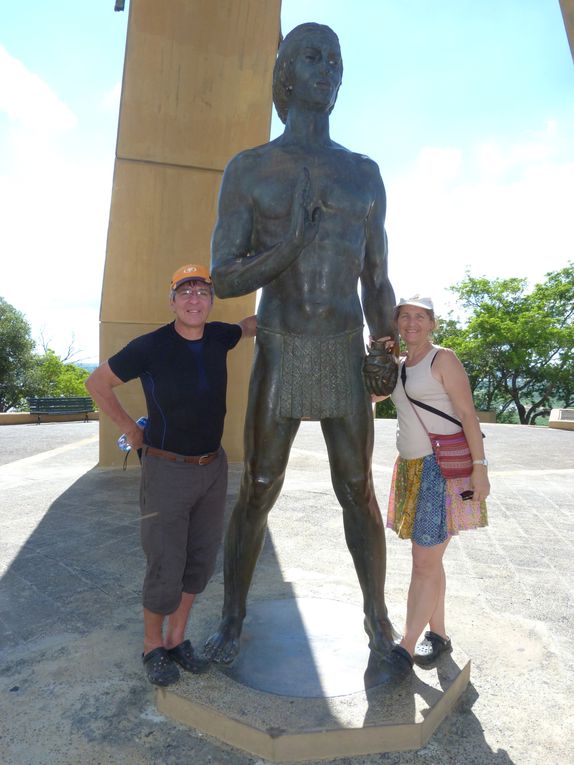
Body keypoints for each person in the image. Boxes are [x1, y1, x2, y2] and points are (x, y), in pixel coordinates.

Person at [203, 22, 400, 669]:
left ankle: (378, 622)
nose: (327, 68)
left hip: (342, 348)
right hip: (283, 348)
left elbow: (376, 277)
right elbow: (224, 276)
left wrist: (386, 341)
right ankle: (231, 619)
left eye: (335, 59)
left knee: (357, 490)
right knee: (258, 485)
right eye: (311, 56)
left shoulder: (364, 174)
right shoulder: (251, 170)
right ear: (285, 74)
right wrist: (287, 244)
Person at [85, 263, 257, 686]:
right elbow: (97, 383)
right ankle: (152, 646)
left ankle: (178, 640)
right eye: (186, 292)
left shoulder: (220, 335)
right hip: (166, 469)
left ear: (210, 300)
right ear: (173, 300)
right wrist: (129, 427)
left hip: (211, 467)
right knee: (165, 561)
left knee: (198, 560)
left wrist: (295, 291)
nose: (194, 299)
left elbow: (252, 324)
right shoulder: (150, 346)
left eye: (202, 291)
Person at [373, 295, 489, 679]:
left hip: (441, 470)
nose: (411, 323)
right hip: (410, 470)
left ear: (432, 323)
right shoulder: (400, 366)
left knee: (423, 563)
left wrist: (481, 468)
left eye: (420, 317)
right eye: (404, 317)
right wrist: (378, 357)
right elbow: (371, 395)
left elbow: (468, 414)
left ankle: (405, 648)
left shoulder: (444, 359)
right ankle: (437, 635)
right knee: (430, 560)